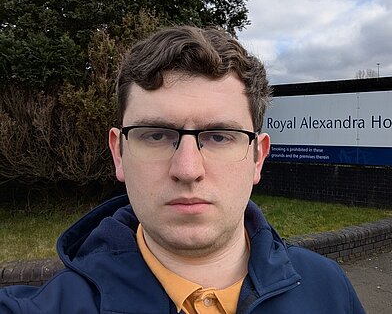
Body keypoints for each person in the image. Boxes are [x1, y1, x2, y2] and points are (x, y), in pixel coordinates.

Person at [0, 25, 365, 313]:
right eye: (156, 135)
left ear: (258, 156)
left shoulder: (329, 289)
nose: (187, 169)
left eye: (219, 136)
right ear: (118, 153)